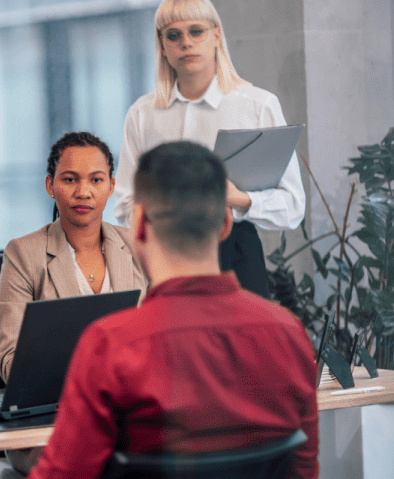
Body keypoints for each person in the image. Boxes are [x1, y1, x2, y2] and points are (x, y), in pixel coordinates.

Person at [0, 141, 320, 479]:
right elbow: (299, 477)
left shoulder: (112, 343)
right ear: (225, 224)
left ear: (138, 223)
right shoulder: (288, 333)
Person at [112, 0, 306, 299]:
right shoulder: (143, 114)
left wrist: (239, 199)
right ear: (162, 46)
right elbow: (125, 204)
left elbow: (293, 206)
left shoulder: (257, 106)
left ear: (216, 35)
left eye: (196, 31)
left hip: (237, 254)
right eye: (173, 35)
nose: (186, 43)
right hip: (166, 255)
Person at [0, 131, 146, 479]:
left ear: (112, 186)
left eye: (96, 180)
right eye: (70, 179)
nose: (83, 191)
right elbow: (11, 365)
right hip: (51, 428)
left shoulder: (136, 247)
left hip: (128, 417)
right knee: (110, 468)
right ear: (50, 185)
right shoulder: (23, 254)